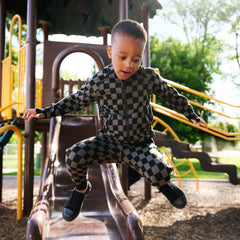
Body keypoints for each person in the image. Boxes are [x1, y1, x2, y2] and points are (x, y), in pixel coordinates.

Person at [23, 19, 207, 222]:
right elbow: (76, 101)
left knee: (161, 171)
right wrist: (45, 112)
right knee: (74, 155)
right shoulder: (101, 80)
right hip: (109, 142)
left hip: (140, 145)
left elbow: (171, 95)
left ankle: (164, 185)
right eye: (123, 57)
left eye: (136, 59)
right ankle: (81, 189)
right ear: (110, 52)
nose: (129, 64)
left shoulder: (147, 77)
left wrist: (190, 114)